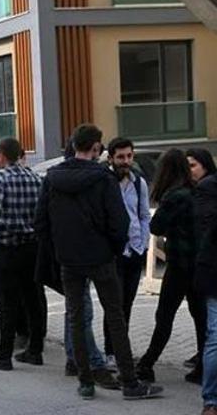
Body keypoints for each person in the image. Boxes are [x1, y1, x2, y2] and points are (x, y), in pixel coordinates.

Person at [35, 124, 162, 400]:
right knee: (115, 318)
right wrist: (114, 250)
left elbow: (40, 222)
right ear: (95, 148)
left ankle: (85, 381)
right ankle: (130, 382)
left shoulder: (51, 177)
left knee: (77, 319)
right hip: (101, 257)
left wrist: (59, 249)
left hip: (69, 259)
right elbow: (120, 222)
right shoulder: (103, 178)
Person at [136, 149, 206, 385]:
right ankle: (203, 367)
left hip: (179, 265)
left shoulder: (174, 196)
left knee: (164, 315)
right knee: (200, 317)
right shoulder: (195, 191)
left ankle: (147, 363)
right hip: (197, 264)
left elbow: (156, 226)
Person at [0, 138, 45, 371]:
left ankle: (4, 355)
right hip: (31, 247)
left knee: (7, 304)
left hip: (7, 247)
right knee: (32, 300)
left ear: (2, 155)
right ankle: (35, 350)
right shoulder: (35, 178)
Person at [100, 138, 151, 370]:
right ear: (110, 158)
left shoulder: (138, 182)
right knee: (113, 304)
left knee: (127, 304)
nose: (126, 161)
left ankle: (122, 349)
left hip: (135, 251)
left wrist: (144, 243)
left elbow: (143, 215)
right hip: (113, 253)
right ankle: (111, 352)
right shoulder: (104, 182)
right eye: (121, 157)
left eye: (129, 156)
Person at [192, 153, 217, 415]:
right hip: (214, 273)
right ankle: (211, 400)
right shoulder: (208, 187)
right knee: (216, 338)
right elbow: (208, 225)